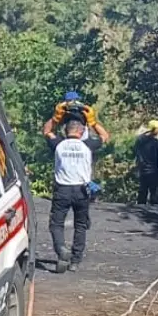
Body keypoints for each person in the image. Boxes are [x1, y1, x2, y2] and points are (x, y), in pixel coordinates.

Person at [48, 118, 101, 273]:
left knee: (56, 224)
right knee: (81, 225)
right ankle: (75, 261)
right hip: (82, 190)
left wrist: (56, 117)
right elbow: (105, 136)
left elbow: (46, 131)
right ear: (81, 131)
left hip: (62, 189)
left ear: (66, 131)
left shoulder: (59, 144)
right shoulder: (87, 145)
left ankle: (61, 250)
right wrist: (93, 121)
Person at [43, 91, 110, 143]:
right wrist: (93, 123)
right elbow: (105, 136)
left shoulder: (60, 145)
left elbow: (47, 132)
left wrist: (55, 119)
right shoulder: (88, 145)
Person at [133, 119, 158, 204]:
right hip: (153, 169)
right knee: (154, 192)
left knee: (142, 190)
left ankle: (140, 207)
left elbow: (135, 151)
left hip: (143, 168)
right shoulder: (156, 142)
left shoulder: (140, 139)